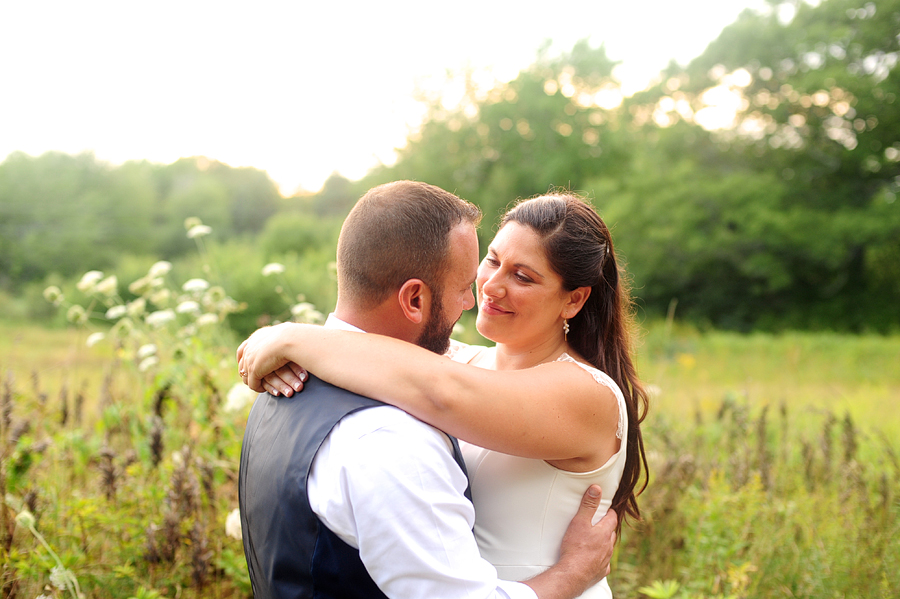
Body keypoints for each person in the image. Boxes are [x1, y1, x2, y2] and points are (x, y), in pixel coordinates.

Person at [239, 190, 649, 599]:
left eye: (523, 276)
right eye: (492, 260)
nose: (491, 286)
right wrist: (279, 348)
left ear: (573, 300)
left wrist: (292, 337)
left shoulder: (587, 394)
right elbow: (375, 350)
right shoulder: (457, 362)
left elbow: (440, 391)